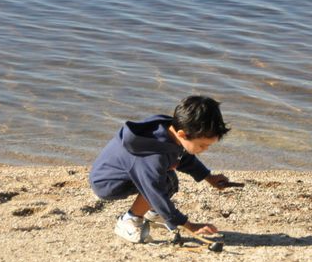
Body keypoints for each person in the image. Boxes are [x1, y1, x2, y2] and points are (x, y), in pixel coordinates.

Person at [89, 95, 231, 243]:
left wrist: (209, 177)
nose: (205, 149)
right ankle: (128, 221)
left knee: (168, 177)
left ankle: (153, 213)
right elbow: (155, 192)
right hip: (108, 183)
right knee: (163, 182)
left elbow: (183, 157)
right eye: (202, 145)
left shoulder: (169, 129)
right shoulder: (151, 154)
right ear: (182, 134)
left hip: (128, 174)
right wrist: (187, 225)